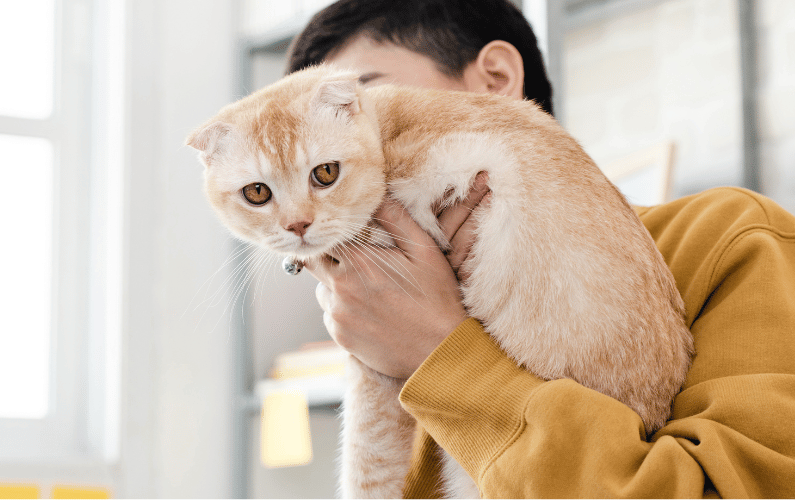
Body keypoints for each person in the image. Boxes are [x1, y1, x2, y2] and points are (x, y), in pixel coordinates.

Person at [288, 0, 795, 496]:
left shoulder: (727, 238)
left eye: (359, 105)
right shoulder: (380, 326)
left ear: (496, 80)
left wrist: (441, 355)